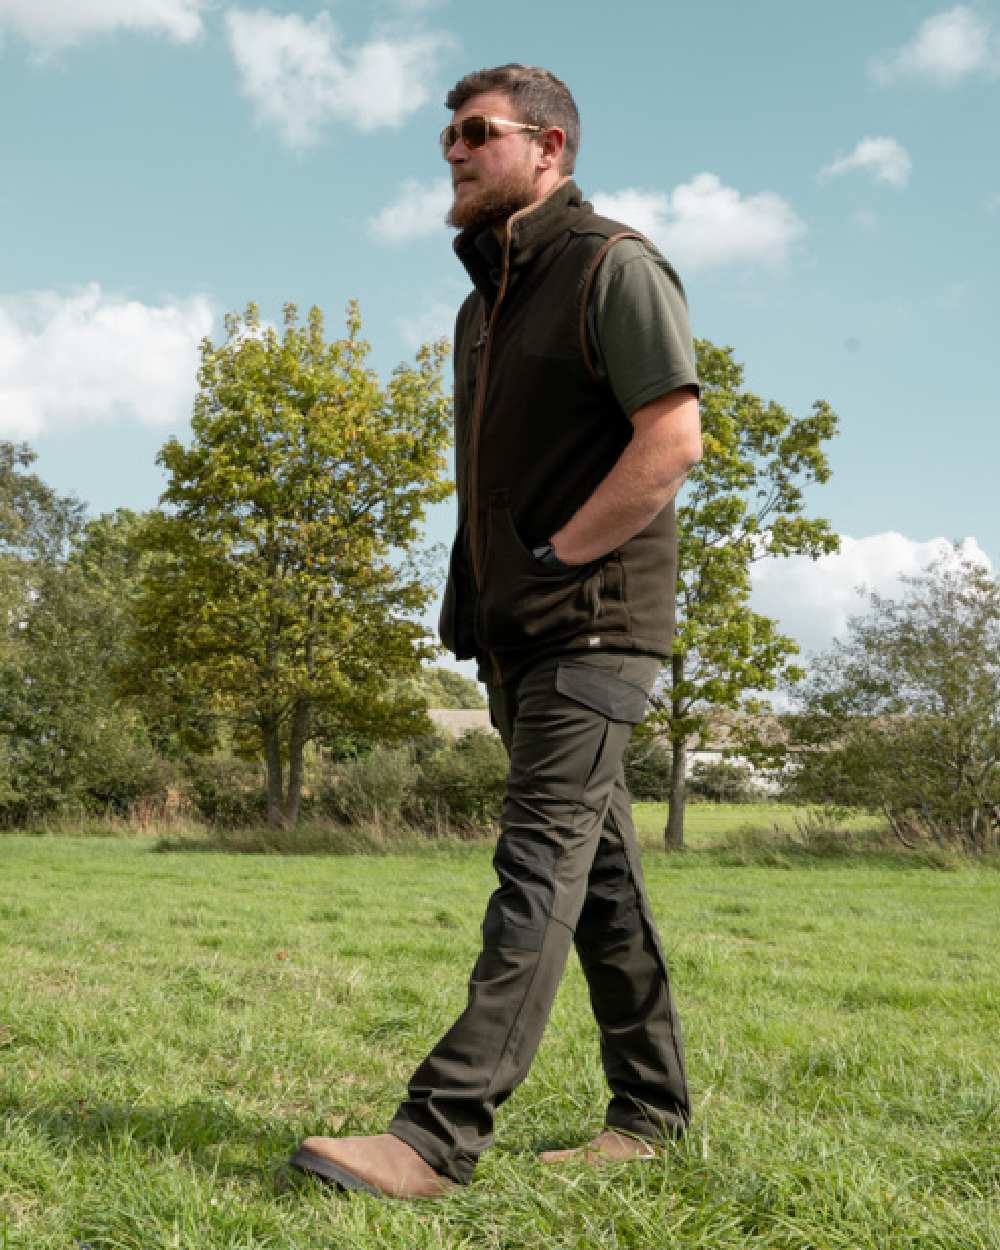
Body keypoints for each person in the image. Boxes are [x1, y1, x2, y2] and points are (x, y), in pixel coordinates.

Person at [290, 63, 703, 1200]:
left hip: (594, 625)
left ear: (550, 146)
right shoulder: (483, 306)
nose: (455, 152)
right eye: (447, 138)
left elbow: (670, 439)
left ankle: (434, 1135)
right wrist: (490, 599)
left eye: (476, 132)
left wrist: (561, 555)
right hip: (519, 633)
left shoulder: (611, 266)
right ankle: (653, 1113)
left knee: (536, 867)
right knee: (601, 878)